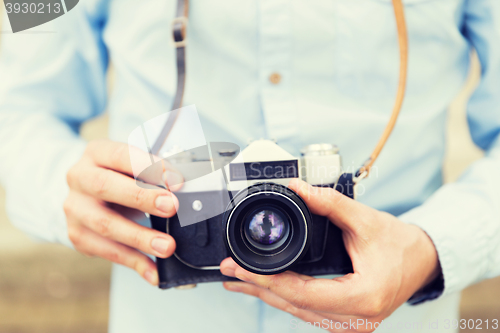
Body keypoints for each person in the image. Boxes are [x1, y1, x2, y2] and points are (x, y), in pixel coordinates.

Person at [1, 1, 499, 332]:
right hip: (167, 309)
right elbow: (16, 97)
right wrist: (59, 183)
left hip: (395, 317)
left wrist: (432, 247)